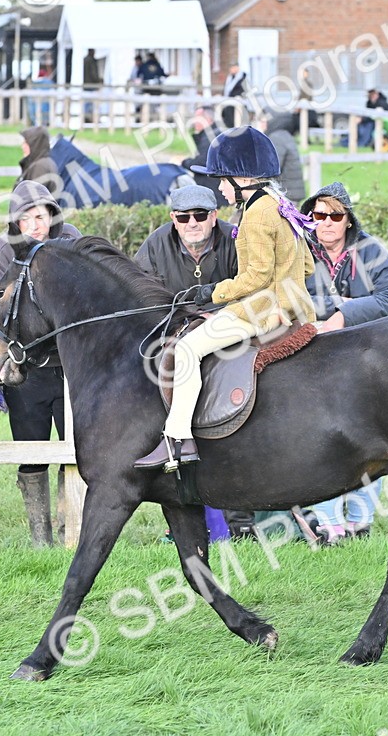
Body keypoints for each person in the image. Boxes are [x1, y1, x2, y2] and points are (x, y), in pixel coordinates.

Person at [134, 126, 316, 470]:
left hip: (264, 309)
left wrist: (211, 292)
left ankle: (177, 439)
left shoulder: (255, 216)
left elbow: (257, 277)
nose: (218, 188)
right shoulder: (278, 204)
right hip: (294, 303)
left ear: (242, 179)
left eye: (222, 181)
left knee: (186, 350)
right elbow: (306, 265)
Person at [134, 185, 250, 538]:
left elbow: (251, 287)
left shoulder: (236, 237)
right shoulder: (155, 244)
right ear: (173, 219)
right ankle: (184, 513)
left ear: (215, 216)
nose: (192, 223)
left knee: (239, 420)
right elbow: (139, 295)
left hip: (233, 332)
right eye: (183, 217)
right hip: (174, 336)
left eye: (201, 215)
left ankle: (243, 520)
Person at [300, 181, 388, 543]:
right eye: (318, 215)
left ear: (348, 220)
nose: (326, 222)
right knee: (318, 438)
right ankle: (329, 525)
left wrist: (347, 312)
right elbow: (280, 295)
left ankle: (360, 525)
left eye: (335, 215)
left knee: (368, 439)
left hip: (363, 361)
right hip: (312, 358)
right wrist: (331, 309)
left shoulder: (371, 250)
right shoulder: (298, 251)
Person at [0, 181, 83, 547]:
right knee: (30, 449)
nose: (34, 225)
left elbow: (82, 297)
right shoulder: (2, 251)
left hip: (69, 367)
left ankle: (69, 528)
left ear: (51, 216)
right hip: (25, 369)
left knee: (74, 449)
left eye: (40, 216)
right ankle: (39, 535)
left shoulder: (70, 240)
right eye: (26, 218)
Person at [255, 111, 305, 201]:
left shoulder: (276, 138)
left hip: (285, 194)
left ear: (273, 121)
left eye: (264, 121)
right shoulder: (285, 135)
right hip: (291, 191)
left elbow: (270, 168)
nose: (261, 125)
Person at [181, 108, 221, 196]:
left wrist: (183, 162)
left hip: (213, 190)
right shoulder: (214, 133)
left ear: (208, 119)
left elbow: (202, 163)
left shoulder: (210, 137)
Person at [17, 126, 60, 196]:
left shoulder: (40, 167)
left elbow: (33, 199)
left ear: (35, 144)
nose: (22, 146)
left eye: (26, 143)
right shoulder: (45, 162)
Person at [222, 63, 248, 128]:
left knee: (237, 122)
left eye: (233, 68)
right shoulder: (230, 78)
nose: (231, 70)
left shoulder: (243, 77)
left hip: (238, 103)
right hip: (229, 103)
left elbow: (242, 90)